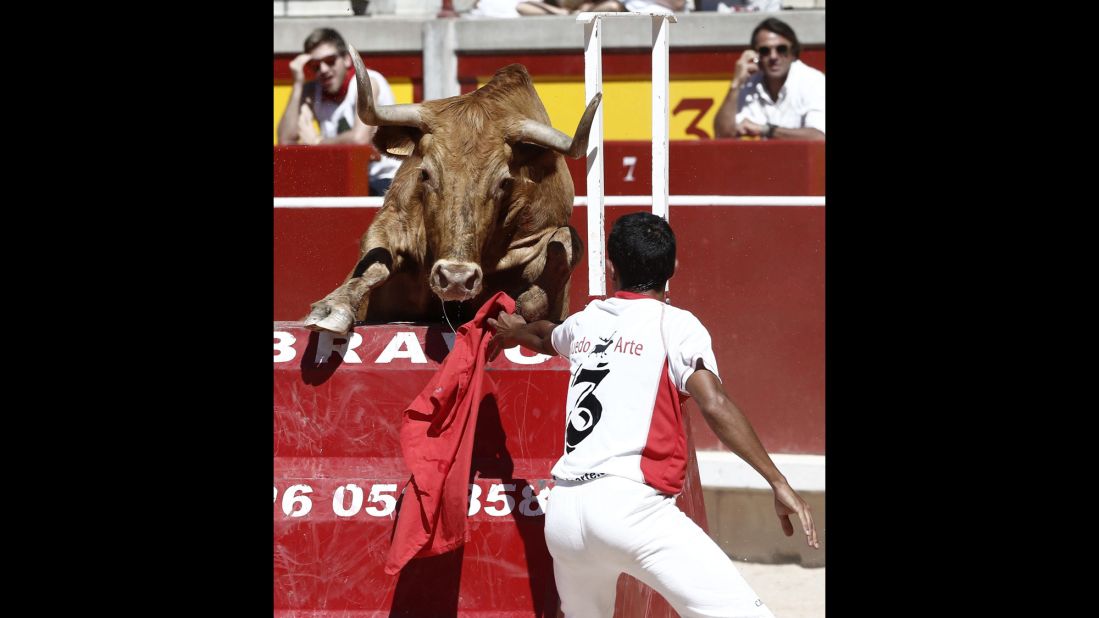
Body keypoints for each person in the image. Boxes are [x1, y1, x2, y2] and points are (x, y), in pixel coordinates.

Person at [487, 212, 819, 617]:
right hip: (631, 511)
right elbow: (713, 402)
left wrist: (511, 332)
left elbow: (544, 335)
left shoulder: (587, 321)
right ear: (673, 268)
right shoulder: (675, 326)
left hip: (567, 514)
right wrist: (776, 481)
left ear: (610, 268)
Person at [276, 28, 400, 195]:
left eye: (330, 60)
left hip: (386, 181)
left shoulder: (366, 81)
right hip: (345, 179)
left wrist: (318, 144)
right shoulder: (313, 91)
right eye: (315, 65)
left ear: (347, 59)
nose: (324, 69)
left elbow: (359, 139)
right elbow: (285, 139)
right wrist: (298, 83)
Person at [713, 17, 825, 140]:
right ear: (756, 55)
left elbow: (819, 138)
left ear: (793, 52)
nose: (773, 56)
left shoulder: (814, 81)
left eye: (781, 49)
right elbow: (722, 135)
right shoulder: (749, 83)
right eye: (765, 51)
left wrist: (765, 129)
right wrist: (735, 84)